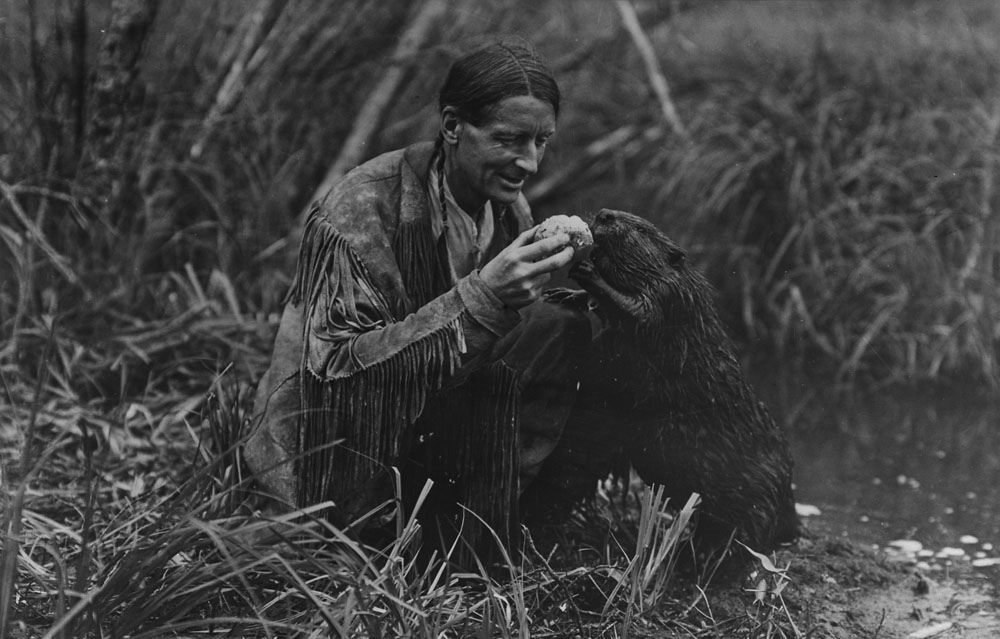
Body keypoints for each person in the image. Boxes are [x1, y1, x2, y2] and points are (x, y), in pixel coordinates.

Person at [244, 41, 593, 558]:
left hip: (425, 418)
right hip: (334, 448)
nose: (531, 162)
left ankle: (486, 520)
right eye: (510, 139)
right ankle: (387, 531)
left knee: (561, 325)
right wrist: (483, 296)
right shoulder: (363, 208)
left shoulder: (510, 208)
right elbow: (337, 373)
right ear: (452, 127)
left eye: (542, 140)